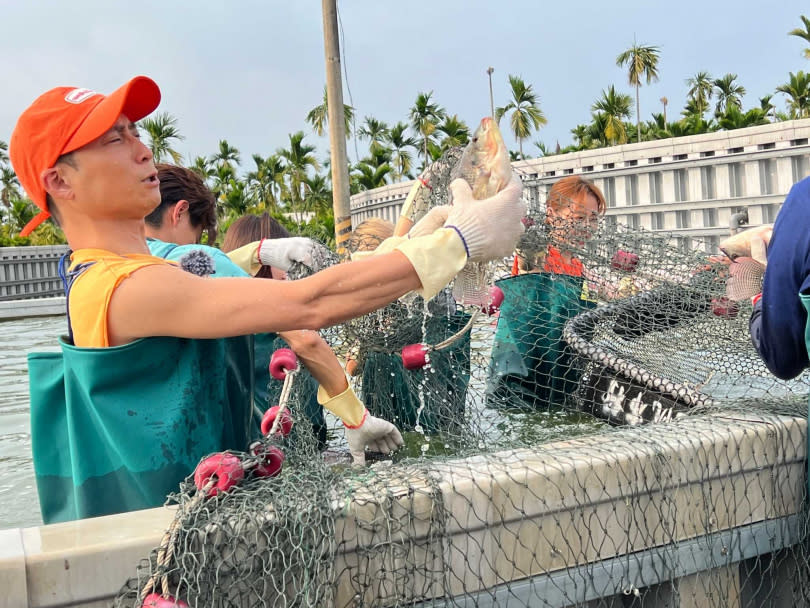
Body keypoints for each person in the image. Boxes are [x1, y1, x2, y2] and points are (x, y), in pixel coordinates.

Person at [12, 76, 525, 522]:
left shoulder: (147, 270)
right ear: (60, 181)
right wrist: (459, 241)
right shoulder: (119, 285)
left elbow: (264, 286)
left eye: (135, 132)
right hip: (172, 547)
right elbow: (306, 306)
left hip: (204, 519)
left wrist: (410, 245)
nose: (142, 150)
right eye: (113, 139)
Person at [488, 176, 606, 408]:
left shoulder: (579, 267)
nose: (586, 226)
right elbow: (525, 252)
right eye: (578, 217)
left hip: (558, 375)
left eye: (593, 219)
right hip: (520, 375)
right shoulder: (536, 252)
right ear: (551, 215)